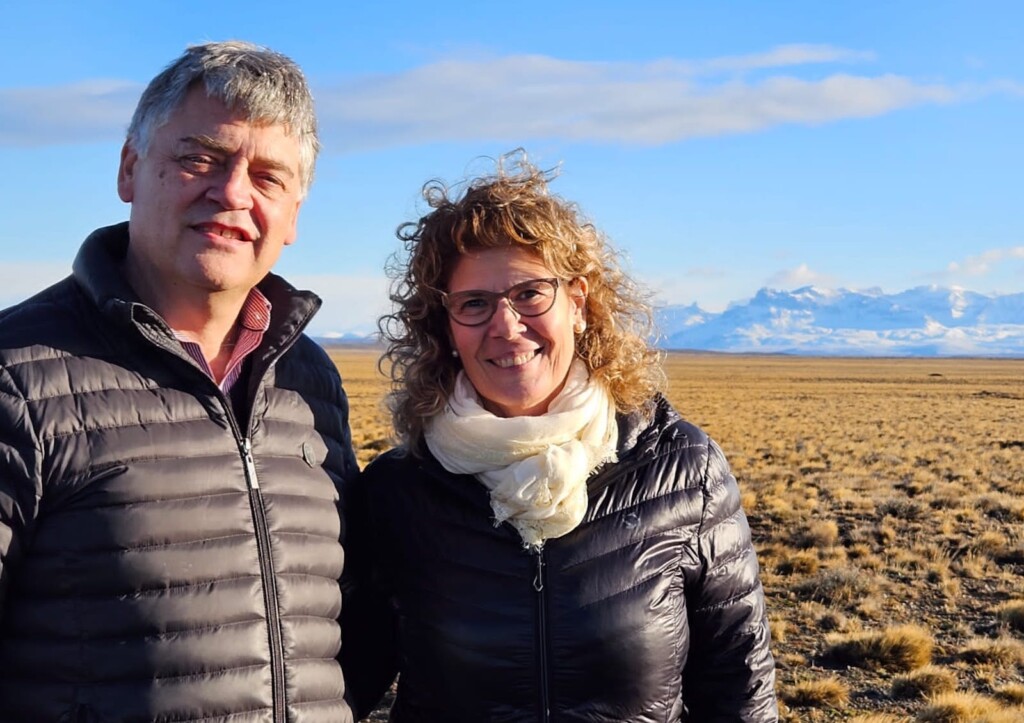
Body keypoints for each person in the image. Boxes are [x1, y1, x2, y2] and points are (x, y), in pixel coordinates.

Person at [341, 151, 779, 721]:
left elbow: (738, 685)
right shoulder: (401, 492)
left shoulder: (682, 472)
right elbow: (344, 683)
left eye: (529, 293)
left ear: (578, 303)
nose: (505, 325)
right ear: (445, 328)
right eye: (474, 303)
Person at [0, 41, 360, 721]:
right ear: (130, 169)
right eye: (201, 158)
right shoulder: (19, 374)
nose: (231, 193)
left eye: (268, 176)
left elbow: (344, 641)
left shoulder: (309, 382)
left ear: (295, 214)